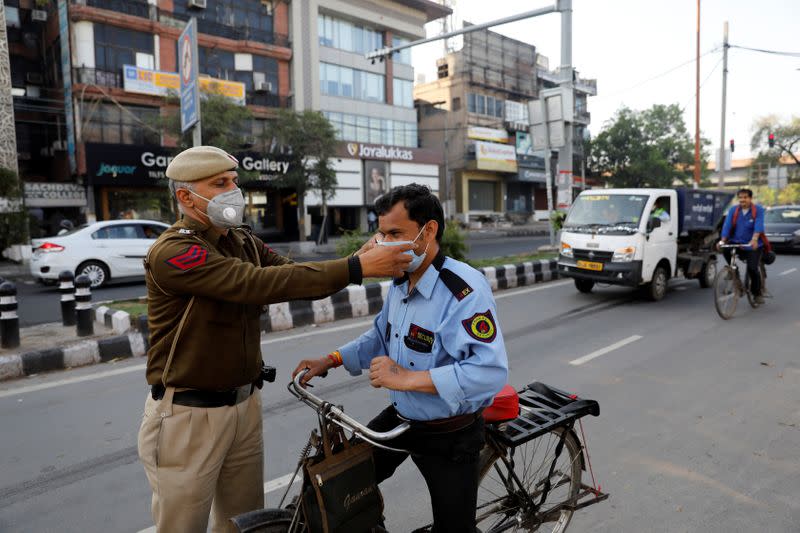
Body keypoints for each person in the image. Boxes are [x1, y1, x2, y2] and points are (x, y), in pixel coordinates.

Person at [137, 146, 413, 533]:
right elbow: (254, 283)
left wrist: (359, 256)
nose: (234, 189)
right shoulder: (175, 251)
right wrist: (356, 268)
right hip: (189, 415)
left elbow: (292, 274)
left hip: (244, 405)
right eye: (220, 183)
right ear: (186, 197)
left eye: (234, 180)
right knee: (181, 526)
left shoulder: (241, 240)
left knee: (245, 523)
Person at [294, 184, 508, 533]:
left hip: (449, 434)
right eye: (381, 233)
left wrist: (404, 378)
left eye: (395, 233)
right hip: (403, 419)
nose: (385, 243)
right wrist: (330, 359)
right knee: (336, 487)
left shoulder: (463, 290)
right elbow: (380, 336)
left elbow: (487, 372)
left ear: (429, 231)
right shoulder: (401, 280)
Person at [719, 188, 766, 304]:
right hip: (736, 241)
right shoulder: (733, 210)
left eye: (745, 197)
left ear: (750, 198)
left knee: (752, 268)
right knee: (725, 250)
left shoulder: (758, 210)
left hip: (752, 245)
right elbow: (727, 225)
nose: (742, 200)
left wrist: (754, 239)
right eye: (740, 197)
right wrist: (722, 240)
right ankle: (734, 271)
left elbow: (759, 225)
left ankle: (757, 293)